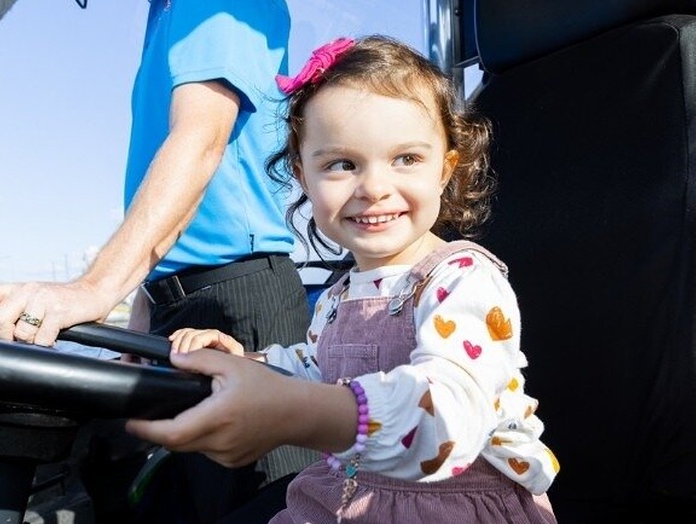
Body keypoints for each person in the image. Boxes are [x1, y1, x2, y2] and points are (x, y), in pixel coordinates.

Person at [125, 35, 560, 523]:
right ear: (304, 177)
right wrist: (249, 362)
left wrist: (295, 413)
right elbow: (317, 366)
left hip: (451, 506)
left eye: (406, 159)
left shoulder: (462, 280)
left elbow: (447, 421)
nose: (374, 188)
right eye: (342, 164)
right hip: (345, 495)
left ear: (445, 169)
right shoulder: (340, 294)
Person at [0, 1, 311, 522]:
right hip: (175, 305)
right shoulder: (164, 14)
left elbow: (202, 139)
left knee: (265, 508)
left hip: (240, 302)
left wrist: (96, 288)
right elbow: (176, 200)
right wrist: (142, 320)